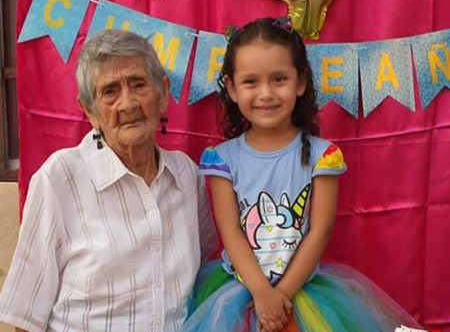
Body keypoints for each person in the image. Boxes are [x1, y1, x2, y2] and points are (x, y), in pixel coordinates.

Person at [181, 17, 423, 332]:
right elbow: (231, 232)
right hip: (240, 290)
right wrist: (262, 293)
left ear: (300, 81)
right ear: (231, 88)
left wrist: (280, 294)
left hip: (300, 292)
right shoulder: (222, 159)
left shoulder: (323, 156)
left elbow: (320, 230)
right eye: (251, 81)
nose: (266, 93)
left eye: (279, 79)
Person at [0, 29, 216, 332]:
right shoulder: (59, 178)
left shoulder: (186, 175)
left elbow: (206, 268)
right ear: (89, 110)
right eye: (109, 91)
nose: (127, 104)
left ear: (163, 92)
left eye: (138, 84)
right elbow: (26, 317)